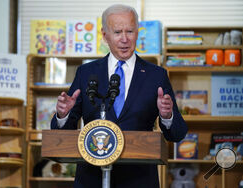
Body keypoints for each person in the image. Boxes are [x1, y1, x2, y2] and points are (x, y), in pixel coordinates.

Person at [51, 4, 187, 188]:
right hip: (92, 179)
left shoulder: (156, 75)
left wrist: (167, 116)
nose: (125, 39)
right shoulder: (86, 73)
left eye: (130, 31)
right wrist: (63, 115)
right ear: (104, 35)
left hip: (139, 180)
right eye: (117, 32)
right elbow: (62, 132)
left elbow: (177, 133)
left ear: (137, 32)